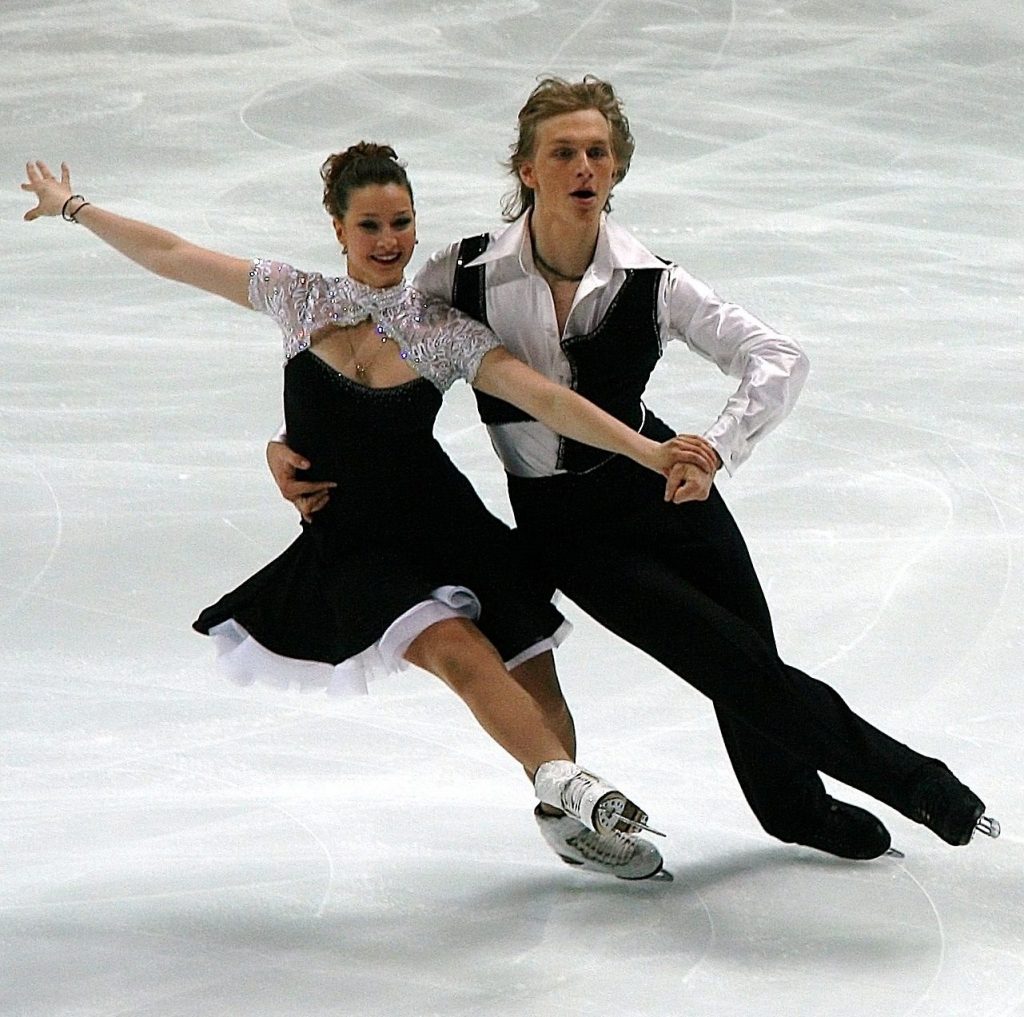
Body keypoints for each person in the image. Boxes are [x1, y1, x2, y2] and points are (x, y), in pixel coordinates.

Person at [268, 78, 1000, 869]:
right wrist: (290, 443)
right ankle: (927, 787)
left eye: (599, 153)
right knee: (732, 663)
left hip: (670, 494)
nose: (584, 167)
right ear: (526, 170)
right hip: (571, 531)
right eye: (564, 153)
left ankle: (794, 808)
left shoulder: (653, 281)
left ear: (615, 170)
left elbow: (778, 357)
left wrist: (717, 447)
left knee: (753, 663)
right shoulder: (462, 274)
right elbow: (375, 352)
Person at [20, 145, 721, 874]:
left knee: (532, 677)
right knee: (457, 651)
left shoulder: (442, 329)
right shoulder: (295, 298)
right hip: (357, 544)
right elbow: (171, 253)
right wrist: (75, 208)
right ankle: (568, 784)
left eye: (402, 223)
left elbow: (547, 400)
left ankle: (561, 814)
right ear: (338, 229)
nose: (389, 241)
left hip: (447, 522)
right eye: (371, 225)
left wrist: (651, 453)